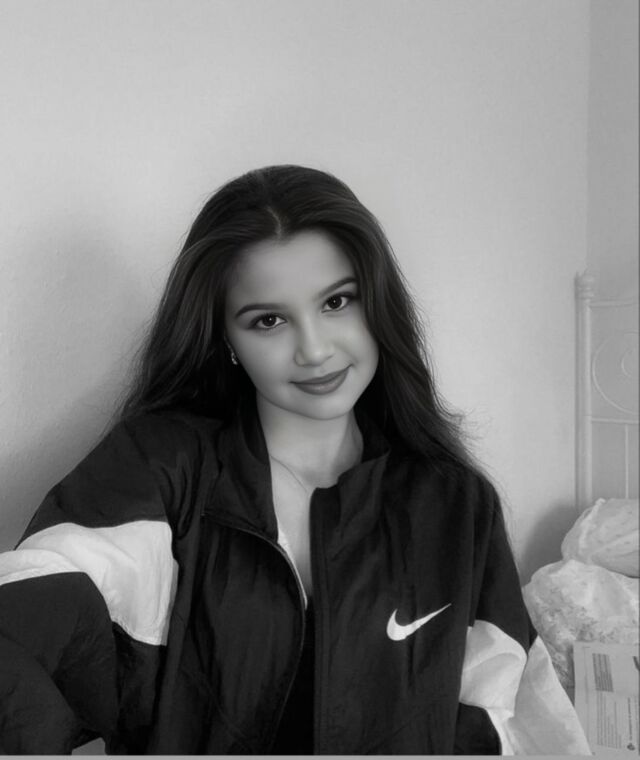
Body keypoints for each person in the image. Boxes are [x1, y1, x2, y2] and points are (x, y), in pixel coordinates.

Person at [0, 165, 589, 755]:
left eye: (336, 301)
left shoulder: (455, 503)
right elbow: (36, 612)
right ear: (227, 341)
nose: (314, 349)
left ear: (377, 303)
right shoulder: (160, 467)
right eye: (269, 320)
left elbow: (505, 714)